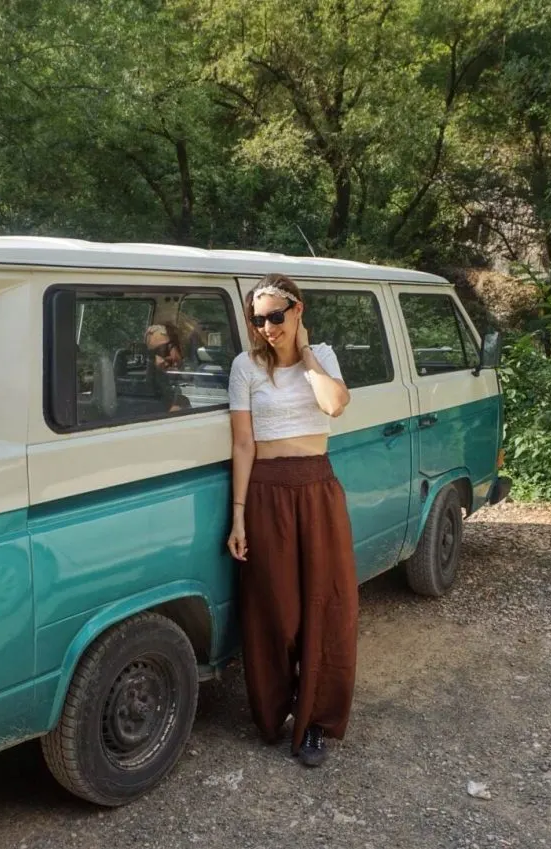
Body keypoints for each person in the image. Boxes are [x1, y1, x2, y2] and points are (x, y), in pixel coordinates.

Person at [226, 273, 357, 768]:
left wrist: (304, 354)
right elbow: (242, 443)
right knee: (274, 609)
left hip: (318, 489)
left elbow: (333, 405)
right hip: (265, 492)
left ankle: (315, 724)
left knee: (326, 605)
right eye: (257, 319)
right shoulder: (245, 367)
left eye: (275, 317)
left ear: (297, 310)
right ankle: (274, 712)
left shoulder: (320, 356)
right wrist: (238, 517)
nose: (265, 328)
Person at [145, 323, 190, 413]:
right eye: (152, 355)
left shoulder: (198, 374)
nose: (159, 361)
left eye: (163, 350)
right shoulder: (152, 390)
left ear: (180, 346)